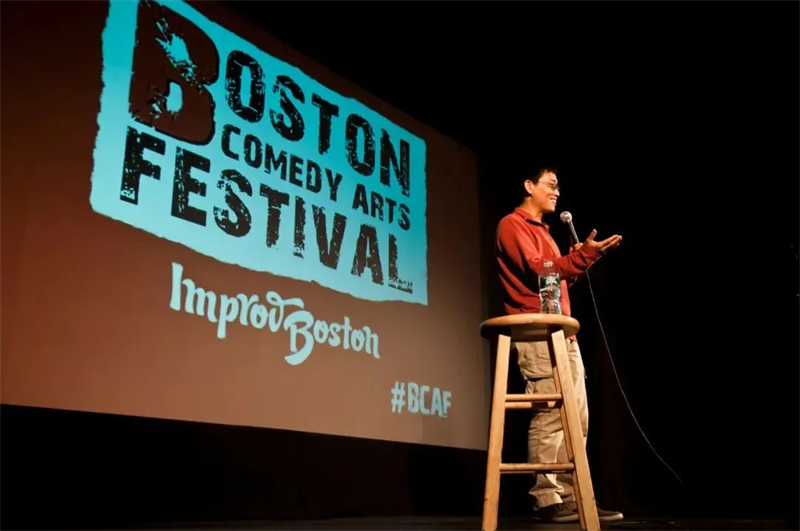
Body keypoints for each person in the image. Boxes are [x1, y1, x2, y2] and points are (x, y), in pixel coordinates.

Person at [494, 167, 624, 523]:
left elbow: (555, 281)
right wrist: (580, 257)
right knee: (551, 412)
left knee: (577, 417)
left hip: (563, 331)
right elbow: (539, 270)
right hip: (536, 331)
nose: (557, 192)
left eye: (558, 187)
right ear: (528, 185)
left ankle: (573, 495)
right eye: (550, 185)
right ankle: (547, 498)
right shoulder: (511, 225)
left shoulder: (547, 233)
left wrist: (584, 257)